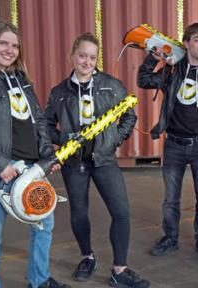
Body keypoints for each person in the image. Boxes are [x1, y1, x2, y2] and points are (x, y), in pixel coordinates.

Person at [0, 21, 69, 288]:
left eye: (15, 45)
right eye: (4, 43)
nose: (10, 50)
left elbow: (38, 122)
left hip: (33, 169)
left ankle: (38, 280)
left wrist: (46, 157)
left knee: (43, 227)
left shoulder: (22, 81)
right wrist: (1, 165)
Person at [44, 33, 149, 288]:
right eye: (82, 55)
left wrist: (113, 140)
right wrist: (65, 140)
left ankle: (120, 270)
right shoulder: (59, 92)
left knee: (121, 212)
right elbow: (46, 124)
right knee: (79, 213)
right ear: (72, 55)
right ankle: (87, 257)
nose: (87, 61)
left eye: (92, 57)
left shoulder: (111, 85)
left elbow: (129, 117)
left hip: (104, 160)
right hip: (74, 163)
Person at [137, 23, 198, 260]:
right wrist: (153, 57)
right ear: (187, 42)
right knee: (170, 199)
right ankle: (170, 238)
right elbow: (144, 80)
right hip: (174, 145)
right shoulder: (172, 71)